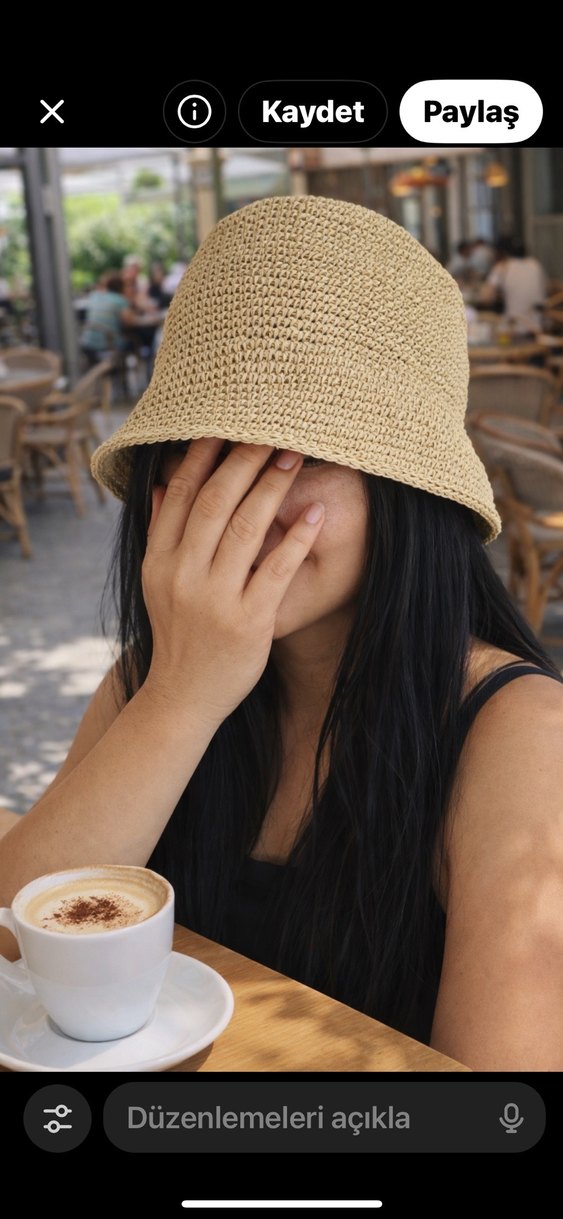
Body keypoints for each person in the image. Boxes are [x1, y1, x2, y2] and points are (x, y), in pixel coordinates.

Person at [2, 197, 563, 1072]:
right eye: (200, 451)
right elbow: (16, 938)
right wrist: (183, 697)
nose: (234, 507)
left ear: (406, 493)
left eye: (292, 455)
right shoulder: (159, 674)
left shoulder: (519, 733)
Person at [484, 238, 548, 334]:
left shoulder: (502, 267)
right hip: (537, 327)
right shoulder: (536, 265)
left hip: (513, 327)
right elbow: (544, 289)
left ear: (503, 253)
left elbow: (486, 297)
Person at [80, 271, 137, 366]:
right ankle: (127, 370)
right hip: (108, 346)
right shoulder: (120, 300)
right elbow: (130, 322)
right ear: (121, 287)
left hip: (86, 344)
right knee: (133, 341)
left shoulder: (94, 296)